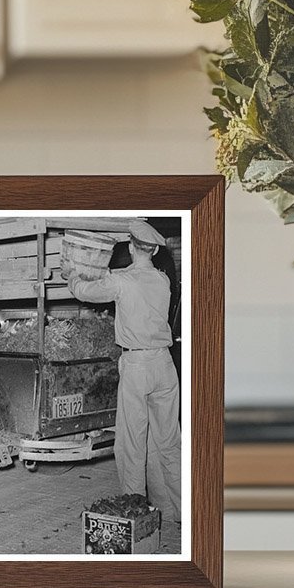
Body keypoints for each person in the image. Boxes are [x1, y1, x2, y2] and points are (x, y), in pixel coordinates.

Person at [62, 220, 181, 524]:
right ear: (153, 250)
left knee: (131, 444)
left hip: (138, 366)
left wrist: (72, 275)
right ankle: (179, 510)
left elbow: (85, 292)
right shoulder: (163, 280)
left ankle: (136, 514)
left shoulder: (121, 280)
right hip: (165, 366)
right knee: (167, 443)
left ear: (130, 247)